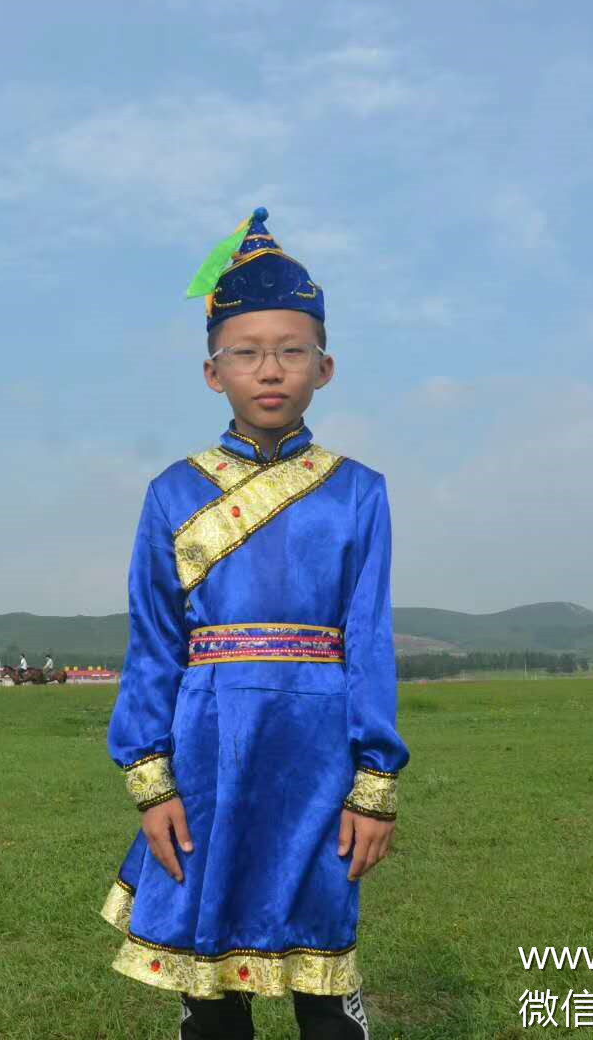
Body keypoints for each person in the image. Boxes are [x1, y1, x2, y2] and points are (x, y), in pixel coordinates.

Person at [100, 208, 408, 1039]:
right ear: (213, 372)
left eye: (290, 351)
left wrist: (374, 787)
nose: (269, 370)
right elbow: (156, 640)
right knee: (211, 993)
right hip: (209, 743)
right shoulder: (173, 491)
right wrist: (151, 779)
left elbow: (369, 640)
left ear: (324, 366)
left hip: (318, 749)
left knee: (323, 978)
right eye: (246, 352)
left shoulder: (357, 491)